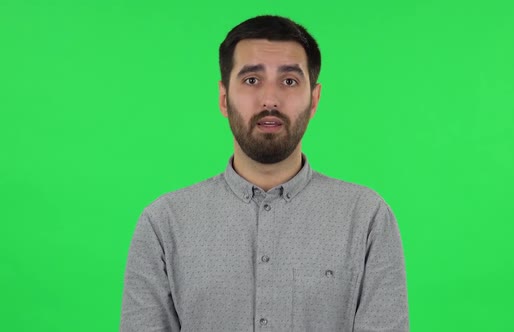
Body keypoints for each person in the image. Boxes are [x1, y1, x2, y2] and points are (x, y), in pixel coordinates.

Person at [120, 15, 409, 332]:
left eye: (289, 81)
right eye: (251, 80)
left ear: (313, 100)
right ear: (223, 98)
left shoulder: (366, 217)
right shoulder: (164, 224)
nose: (270, 100)